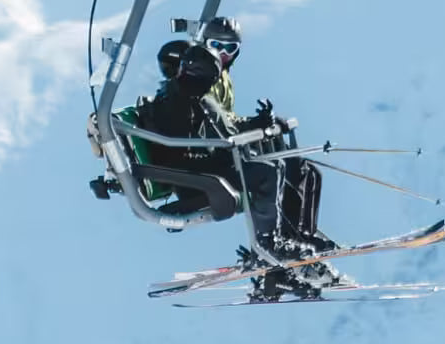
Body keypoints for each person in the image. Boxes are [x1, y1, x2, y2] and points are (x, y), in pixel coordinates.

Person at [143, 40, 345, 298]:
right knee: (265, 173)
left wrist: (259, 124)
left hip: (205, 168)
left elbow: (226, 129)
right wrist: (226, 144)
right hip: (195, 178)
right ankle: (269, 245)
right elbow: (183, 145)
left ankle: (285, 250)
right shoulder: (177, 102)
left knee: (282, 164)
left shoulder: (194, 98)